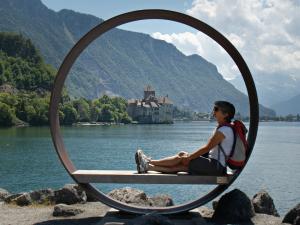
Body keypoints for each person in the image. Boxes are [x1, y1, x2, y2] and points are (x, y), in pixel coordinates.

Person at [135, 100, 236, 176]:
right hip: (215, 165)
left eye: (216, 109)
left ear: (225, 114)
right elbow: (209, 150)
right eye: (214, 109)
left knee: (182, 160)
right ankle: (148, 165)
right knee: (181, 159)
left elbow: (207, 148)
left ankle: (147, 163)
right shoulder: (223, 129)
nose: (214, 112)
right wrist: (190, 157)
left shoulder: (224, 131)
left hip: (215, 167)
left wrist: (190, 157)